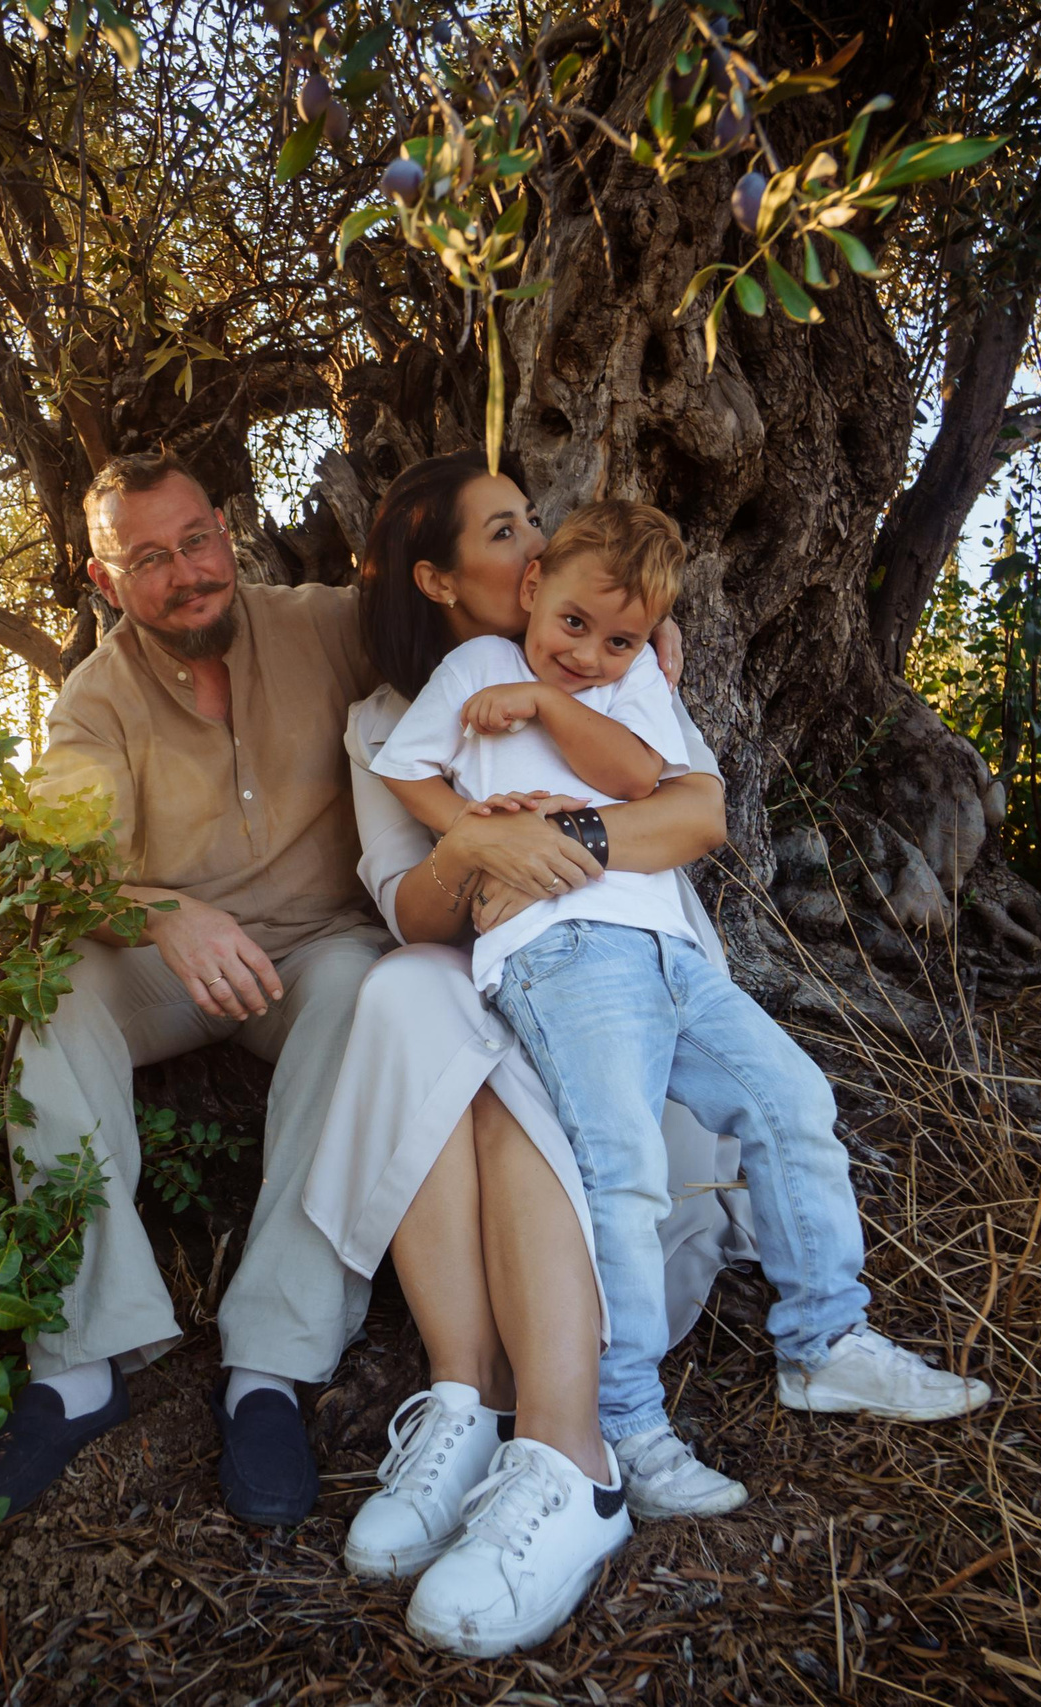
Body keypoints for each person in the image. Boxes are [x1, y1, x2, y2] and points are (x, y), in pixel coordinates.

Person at [369, 498, 994, 1507]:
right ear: (534, 587)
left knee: (792, 1100)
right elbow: (404, 768)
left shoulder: (626, 683)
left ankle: (824, 1341)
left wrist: (548, 705)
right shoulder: (476, 666)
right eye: (573, 624)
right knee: (623, 1171)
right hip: (562, 949)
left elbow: (646, 779)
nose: (588, 653)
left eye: (617, 639)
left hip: (670, 953)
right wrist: (477, 830)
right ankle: (626, 1424)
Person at [300, 455, 757, 1659]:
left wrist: (566, 840)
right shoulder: (388, 724)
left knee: (505, 1052)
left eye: (535, 524)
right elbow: (413, 913)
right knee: (403, 987)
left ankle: (572, 1456)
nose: (539, 547)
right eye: (505, 532)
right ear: (440, 581)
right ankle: (466, 1401)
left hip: (613, 1032)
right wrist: (471, 848)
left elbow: (693, 813)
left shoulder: (621, 668)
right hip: (486, 983)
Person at [0, 448, 395, 1529]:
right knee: (53, 999)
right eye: (147, 559)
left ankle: (270, 1368)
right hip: (177, 967)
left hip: (315, 953)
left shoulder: (326, 624)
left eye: (196, 540)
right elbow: (62, 871)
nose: (186, 573)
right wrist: (157, 911)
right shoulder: (93, 702)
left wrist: (646, 630)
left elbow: (467, 620)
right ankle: (80, 1363)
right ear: (104, 581)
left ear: (225, 531)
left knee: (365, 996)